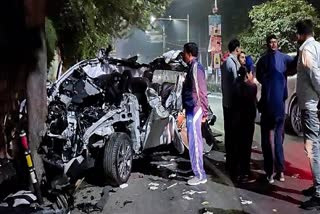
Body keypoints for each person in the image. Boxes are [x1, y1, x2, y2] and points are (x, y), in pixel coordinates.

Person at [256, 35, 294, 184]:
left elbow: (259, 77)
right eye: (271, 42)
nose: (273, 44)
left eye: (274, 42)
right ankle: (279, 171)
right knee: (277, 140)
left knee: (268, 141)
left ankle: (271, 172)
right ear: (268, 44)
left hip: (269, 107)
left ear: (276, 43)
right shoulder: (283, 61)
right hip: (278, 107)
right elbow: (294, 66)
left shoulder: (263, 62)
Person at [294, 20, 320, 210]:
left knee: (313, 148)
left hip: (311, 106)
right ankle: (317, 186)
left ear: (300, 34)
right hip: (314, 104)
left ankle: (319, 193)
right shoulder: (317, 46)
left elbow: (314, 73)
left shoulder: (306, 49)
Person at [182, 42, 209, 186]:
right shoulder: (192, 67)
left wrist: (204, 112)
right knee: (194, 141)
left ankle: (200, 174)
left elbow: (201, 92)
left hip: (195, 109)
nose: (182, 55)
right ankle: (197, 171)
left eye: (183, 52)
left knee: (195, 143)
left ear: (189, 53)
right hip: (192, 109)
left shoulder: (196, 68)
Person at [232, 63, 257, 183]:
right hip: (247, 121)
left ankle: (237, 172)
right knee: (246, 148)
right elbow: (254, 104)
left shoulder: (235, 85)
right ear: (247, 74)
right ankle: (245, 173)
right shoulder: (252, 87)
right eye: (251, 73)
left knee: (238, 146)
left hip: (237, 120)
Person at [221, 39, 241, 177]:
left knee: (230, 133)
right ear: (237, 48)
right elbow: (236, 81)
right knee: (232, 134)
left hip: (228, 102)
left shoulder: (228, 61)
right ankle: (232, 163)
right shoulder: (231, 62)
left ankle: (231, 161)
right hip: (232, 104)